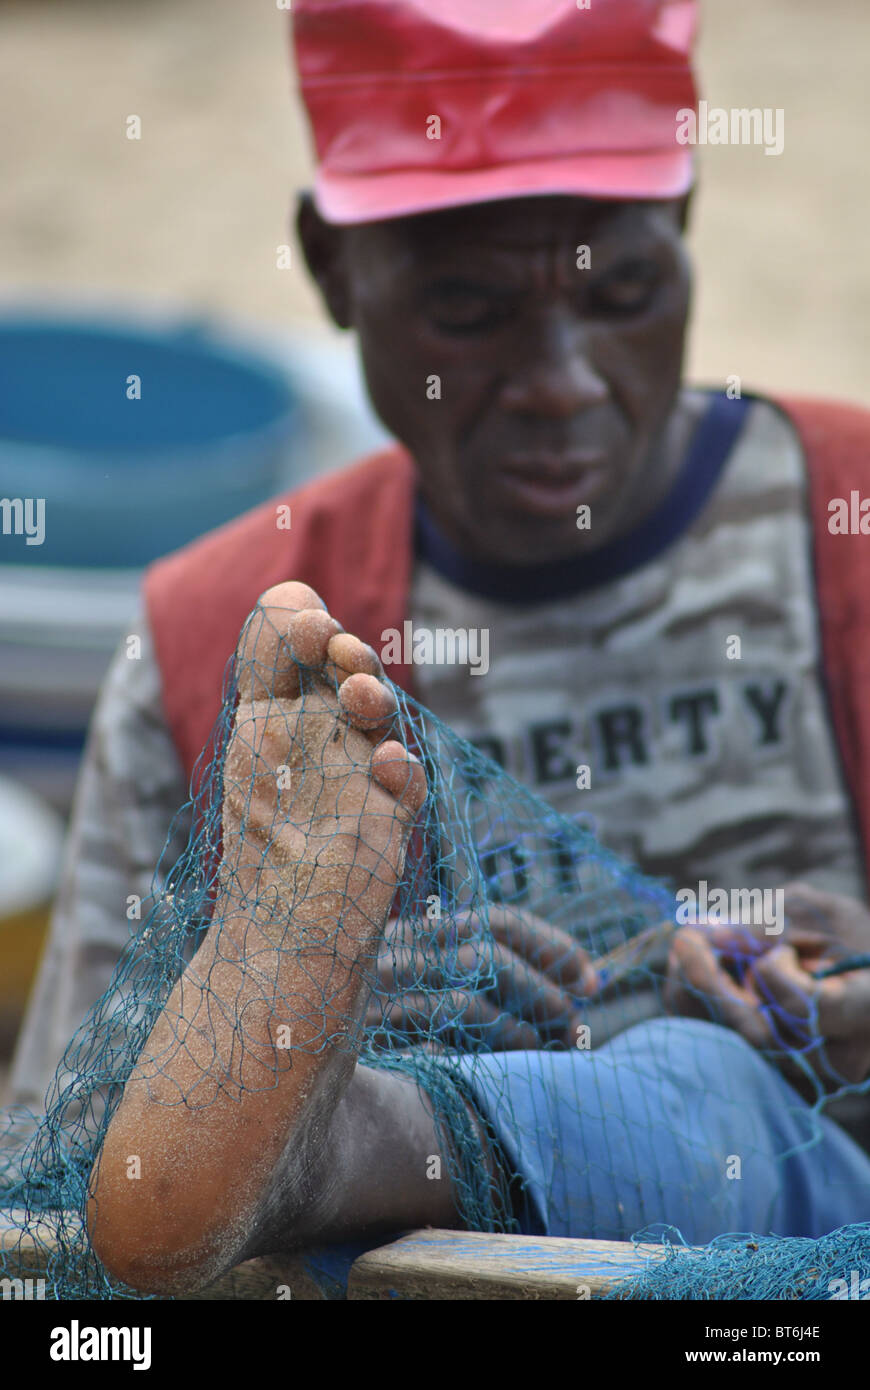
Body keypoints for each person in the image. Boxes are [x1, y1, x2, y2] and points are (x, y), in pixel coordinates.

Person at [10, 0, 870, 1154]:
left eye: (621, 294)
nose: (561, 381)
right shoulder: (231, 644)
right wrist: (301, 1031)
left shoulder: (843, 532)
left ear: (686, 218)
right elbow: (58, 1196)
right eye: (469, 310)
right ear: (331, 269)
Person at [86, 584, 870, 1296]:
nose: (554, 415)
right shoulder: (176, 644)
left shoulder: (841, 537)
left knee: (708, 1084)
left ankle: (317, 1149)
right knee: (684, 1095)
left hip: (806, 1198)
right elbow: (77, 1116)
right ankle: (310, 1141)